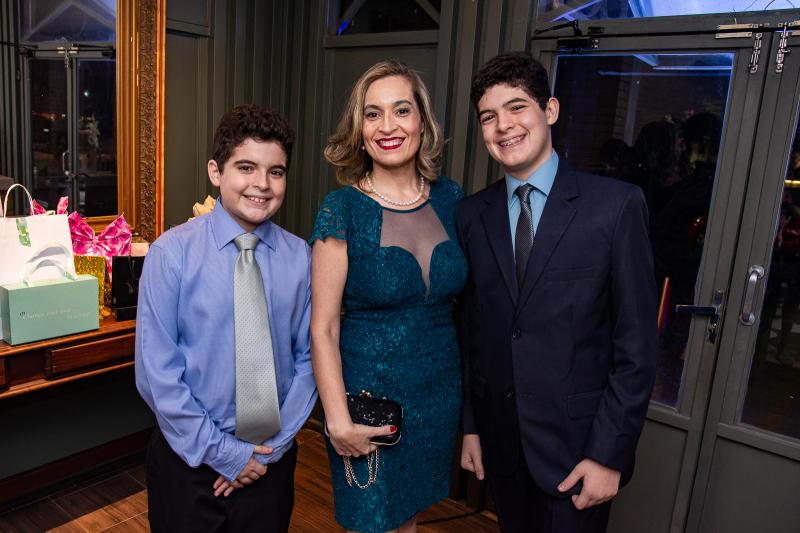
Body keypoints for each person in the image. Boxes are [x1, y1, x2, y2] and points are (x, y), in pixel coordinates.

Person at [456, 51, 658, 533]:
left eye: (517, 107)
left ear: (550, 110)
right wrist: (471, 426)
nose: (503, 126)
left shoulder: (615, 207)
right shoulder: (471, 215)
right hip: (502, 448)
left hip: (579, 453)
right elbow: (472, 333)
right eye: (488, 116)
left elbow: (637, 347)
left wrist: (608, 455)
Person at [135, 104, 317, 532]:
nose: (262, 184)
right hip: (189, 461)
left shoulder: (301, 257)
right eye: (246, 167)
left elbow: (310, 361)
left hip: (270, 462)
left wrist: (267, 452)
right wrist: (226, 454)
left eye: (276, 171)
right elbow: (156, 374)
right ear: (216, 172)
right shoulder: (171, 254)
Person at [309, 59, 467, 533]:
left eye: (401, 110)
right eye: (373, 114)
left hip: (437, 396)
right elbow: (323, 327)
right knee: (373, 522)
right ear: (359, 132)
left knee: (408, 520)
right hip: (369, 403)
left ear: (422, 121)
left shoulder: (451, 199)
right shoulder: (342, 209)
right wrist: (337, 419)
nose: (388, 126)